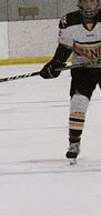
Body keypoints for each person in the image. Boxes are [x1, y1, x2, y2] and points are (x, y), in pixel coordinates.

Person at [40, 0, 101, 163]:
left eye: (92, 2)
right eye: (86, 2)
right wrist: (54, 65)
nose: (89, 6)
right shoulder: (69, 21)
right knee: (78, 104)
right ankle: (74, 144)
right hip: (82, 69)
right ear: (80, 3)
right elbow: (64, 48)